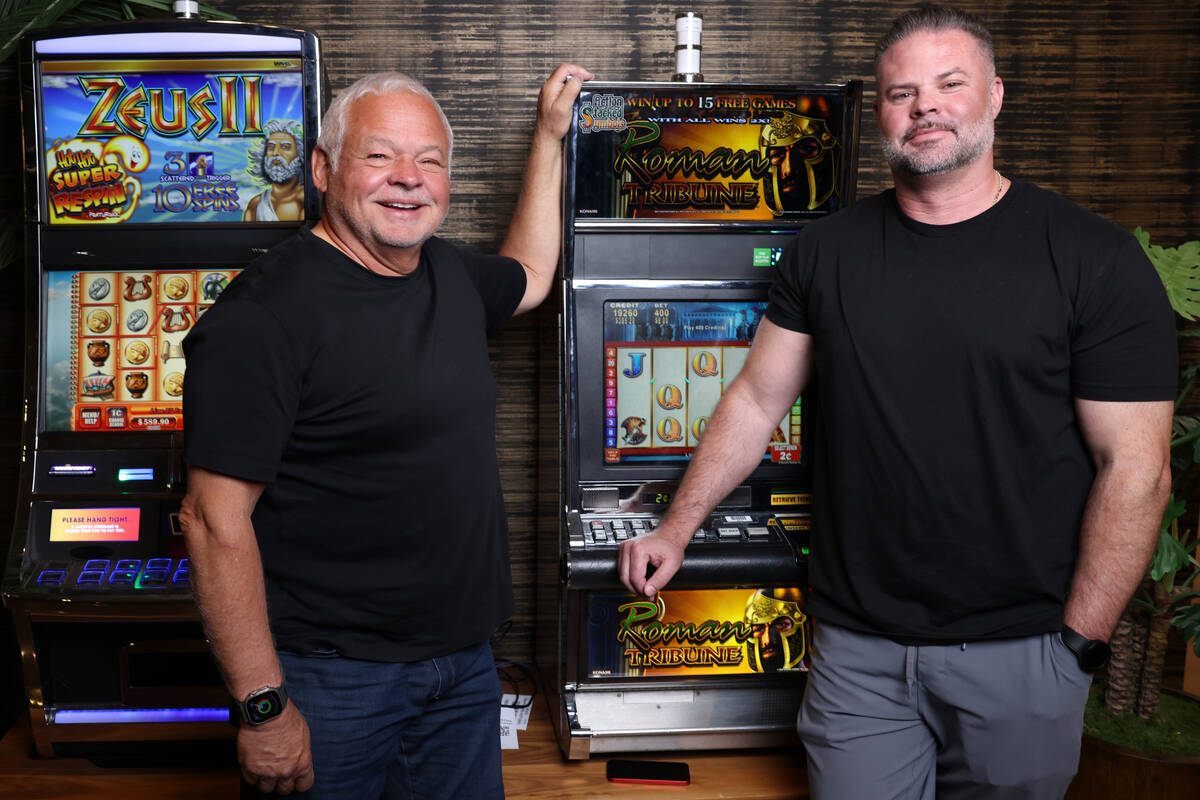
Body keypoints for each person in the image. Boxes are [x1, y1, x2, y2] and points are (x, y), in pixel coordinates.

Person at [618, 6, 1175, 798]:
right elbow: (754, 400)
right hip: (858, 653)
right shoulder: (827, 251)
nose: (926, 107)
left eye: (950, 84)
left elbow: (1138, 469)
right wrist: (676, 527)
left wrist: (1077, 645)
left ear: (995, 96)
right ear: (879, 111)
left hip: (1020, 652)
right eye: (901, 92)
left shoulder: (1093, 258)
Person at [181, 62, 593, 799]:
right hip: (330, 682)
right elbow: (213, 522)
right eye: (379, 156)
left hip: (462, 669)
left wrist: (549, 136)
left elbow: (530, 271)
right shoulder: (263, 316)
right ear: (322, 169)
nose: (408, 178)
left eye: (429, 161)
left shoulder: (449, 275)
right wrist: (263, 708)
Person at [243, 119, 307, 222]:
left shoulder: (305, 203)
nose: (275, 153)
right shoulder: (255, 205)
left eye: (285, 147)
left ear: (300, 155)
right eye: (271, 147)